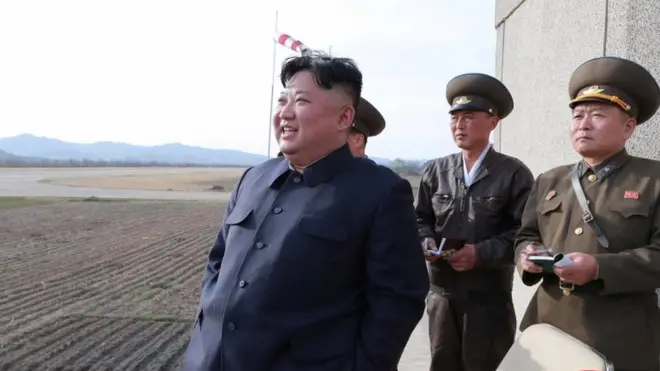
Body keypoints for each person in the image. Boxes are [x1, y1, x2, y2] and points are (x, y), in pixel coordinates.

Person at [182, 51, 430, 371]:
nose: (285, 113)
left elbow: (398, 298)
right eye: (282, 101)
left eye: (300, 102)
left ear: (344, 118)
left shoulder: (379, 191)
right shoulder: (253, 178)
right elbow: (217, 262)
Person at [515, 56, 660, 371]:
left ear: (628, 126)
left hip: (621, 335)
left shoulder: (653, 180)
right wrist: (526, 256)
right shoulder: (550, 180)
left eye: (597, 114)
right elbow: (526, 235)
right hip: (548, 329)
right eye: (578, 115)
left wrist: (598, 268)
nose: (583, 123)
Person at [415, 73, 534, 371]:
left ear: (493, 122)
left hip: (488, 299)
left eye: (469, 117)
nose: (459, 125)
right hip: (442, 295)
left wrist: (480, 253)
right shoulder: (435, 170)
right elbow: (420, 218)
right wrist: (425, 241)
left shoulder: (513, 174)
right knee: (442, 363)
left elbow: (526, 233)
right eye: (454, 118)